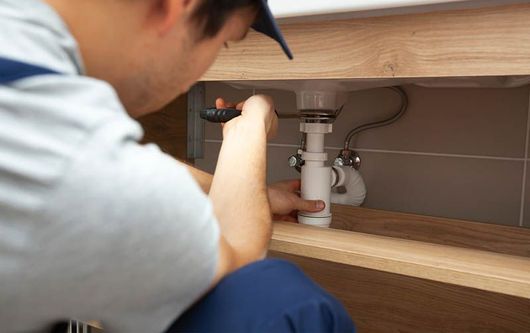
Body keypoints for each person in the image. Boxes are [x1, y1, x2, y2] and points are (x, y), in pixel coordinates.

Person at [0, 0, 356, 332]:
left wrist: (249, 192)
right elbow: (235, 261)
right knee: (283, 302)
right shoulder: (69, 160)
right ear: (180, 6)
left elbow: (98, 165)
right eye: (225, 44)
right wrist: (247, 128)